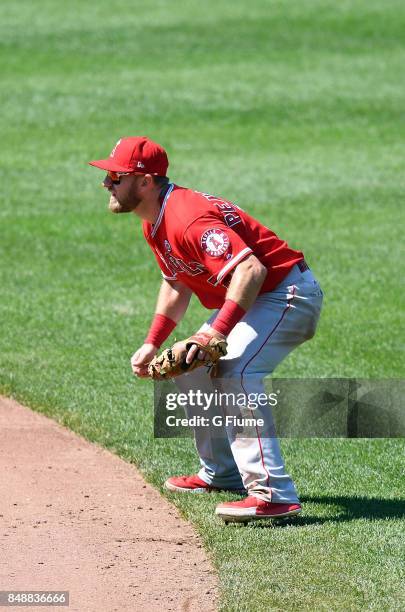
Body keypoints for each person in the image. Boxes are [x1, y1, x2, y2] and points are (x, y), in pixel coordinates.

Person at [89, 136, 323, 523]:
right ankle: (222, 473)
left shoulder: (187, 217)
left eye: (116, 176)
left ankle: (273, 494)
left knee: (237, 371)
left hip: (287, 295)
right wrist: (153, 342)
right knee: (187, 366)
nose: (106, 184)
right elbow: (176, 283)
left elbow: (252, 270)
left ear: (145, 181)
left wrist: (215, 333)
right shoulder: (154, 221)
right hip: (254, 299)